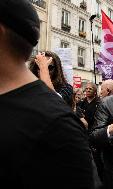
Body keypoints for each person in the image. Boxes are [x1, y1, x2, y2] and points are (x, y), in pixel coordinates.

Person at [0, 0, 94, 188]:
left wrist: (43, 67)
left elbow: (54, 100)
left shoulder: (58, 122)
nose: (47, 70)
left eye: (51, 67)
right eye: (43, 66)